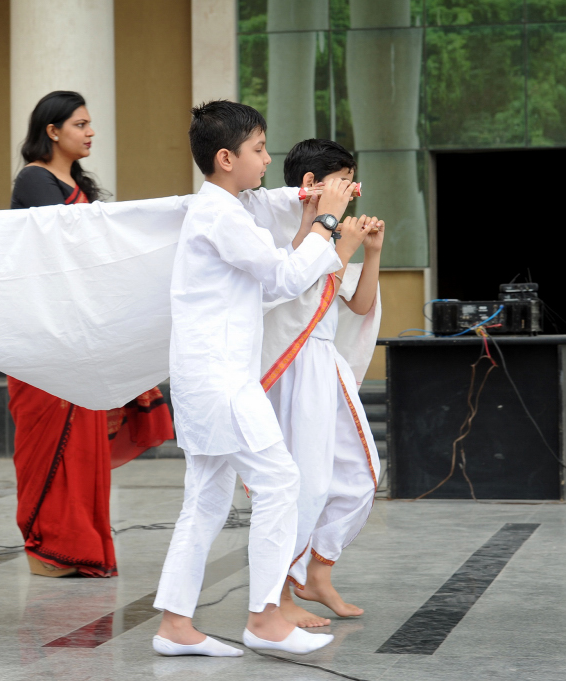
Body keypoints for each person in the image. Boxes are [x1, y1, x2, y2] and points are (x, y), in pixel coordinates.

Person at [151, 101, 370, 658]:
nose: (267, 159)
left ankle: (175, 625)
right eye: (258, 150)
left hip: (211, 380)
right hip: (222, 381)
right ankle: (265, 618)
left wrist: (312, 216)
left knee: (204, 502)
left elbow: (272, 288)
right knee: (279, 484)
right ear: (226, 158)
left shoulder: (228, 213)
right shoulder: (222, 216)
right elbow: (289, 274)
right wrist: (327, 223)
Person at [8, 91, 175, 578]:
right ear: (52, 131)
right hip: (46, 335)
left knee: (86, 445)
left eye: (90, 123)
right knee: (50, 441)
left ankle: (82, 544)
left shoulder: (80, 185)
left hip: (82, 333)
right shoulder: (34, 180)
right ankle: (49, 546)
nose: (90, 132)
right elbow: (67, 248)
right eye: (80, 124)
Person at [266, 139, 384, 627]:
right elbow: (289, 289)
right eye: (344, 180)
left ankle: (318, 570)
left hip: (323, 364)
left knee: (360, 476)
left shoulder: (331, 231)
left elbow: (357, 305)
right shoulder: (275, 228)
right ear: (311, 184)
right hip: (291, 367)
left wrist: (369, 251)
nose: (353, 191)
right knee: (302, 483)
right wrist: (342, 241)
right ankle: (279, 595)